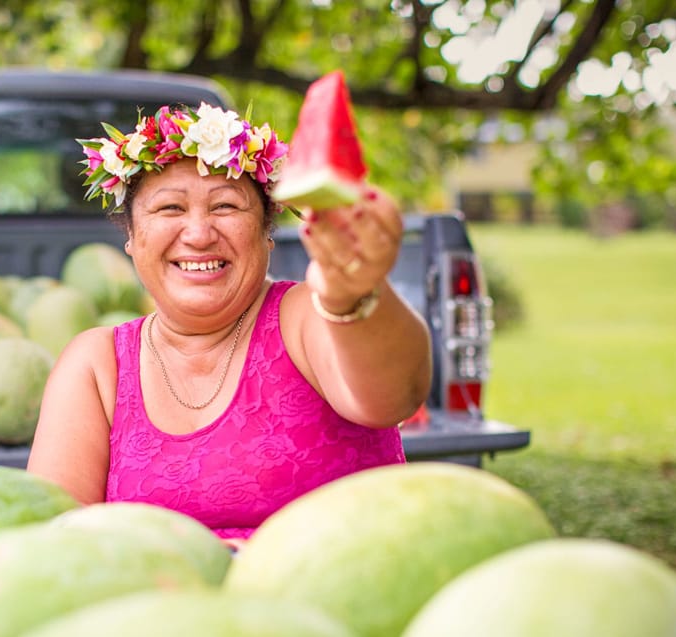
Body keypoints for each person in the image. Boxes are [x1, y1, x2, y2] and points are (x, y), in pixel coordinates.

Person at [27, 103, 432, 546]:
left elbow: (391, 399)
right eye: (168, 209)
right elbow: (55, 540)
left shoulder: (305, 315)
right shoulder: (95, 364)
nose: (199, 234)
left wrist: (353, 294)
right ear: (131, 236)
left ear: (266, 232)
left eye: (225, 206)